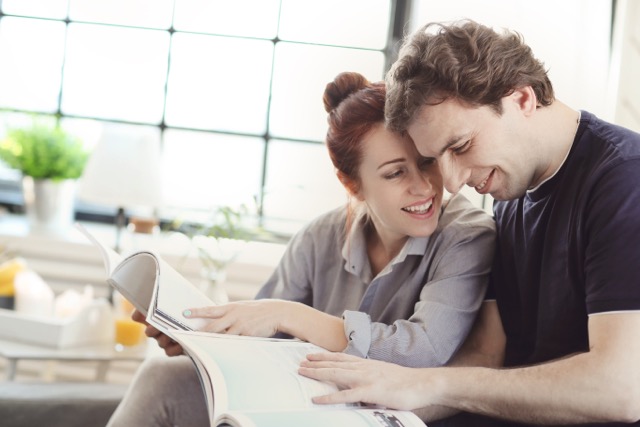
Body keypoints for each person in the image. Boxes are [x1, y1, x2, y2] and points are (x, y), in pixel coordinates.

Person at [298, 19, 640, 426]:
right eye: (436, 157)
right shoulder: (509, 195)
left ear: (522, 99)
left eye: (460, 146)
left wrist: (431, 384)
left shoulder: (624, 180)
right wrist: (366, 409)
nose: (454, 183)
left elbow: (620, 388)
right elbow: (486, 354)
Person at [106, 71, 496, 426]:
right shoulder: (319, 237)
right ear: (353, 185)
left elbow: (424, 350)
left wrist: (289, 315)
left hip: (384, 415)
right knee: (162, 377)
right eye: (395, 173)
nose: (425, 186)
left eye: (426, 162)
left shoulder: (466, 235)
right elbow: (260, 341)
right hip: (302, 401)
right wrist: (197, 339)